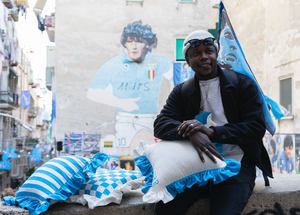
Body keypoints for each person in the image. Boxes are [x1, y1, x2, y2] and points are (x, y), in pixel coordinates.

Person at [153, 30, 273, 215]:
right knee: (165, 208)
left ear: (216, 54)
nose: (204, 57)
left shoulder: (242, 85)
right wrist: (192, 131)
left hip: (236, 165)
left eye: (208, 51)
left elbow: (256, 128)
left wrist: (213, 132)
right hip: (196, 166)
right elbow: (160, 124)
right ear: (188, 61)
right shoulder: (182, 91)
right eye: (196, 54)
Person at [87, 20, 173, 148]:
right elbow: (93, 92)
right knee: (125, 156)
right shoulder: (114, 64)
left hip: (150, 119)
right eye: (130, 41)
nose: (133, 46)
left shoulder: (158, 61)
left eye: (138, 41)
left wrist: (170, 106)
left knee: (150, 155)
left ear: (147, 44)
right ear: (124, 43)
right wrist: (121, 102)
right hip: (124, 119)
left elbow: (177, 79)